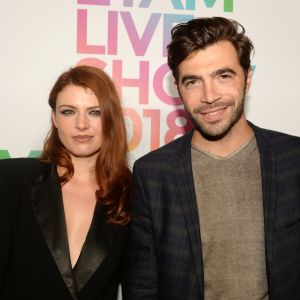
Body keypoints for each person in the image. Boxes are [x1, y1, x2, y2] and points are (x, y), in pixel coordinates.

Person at [124, 17, 300, 300]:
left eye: (223, 76)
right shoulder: (152, 174)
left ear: (248, 78)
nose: (209, 96)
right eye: (193, 81)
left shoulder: (294, 159)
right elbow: (143, 287)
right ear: (178, 88)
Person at [0, 65, 132, 300]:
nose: (82, 124)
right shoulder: (12, 179)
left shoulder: (132, 195)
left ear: (111, 117)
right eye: (69, 111)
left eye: (95, 112)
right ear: (55, 118)